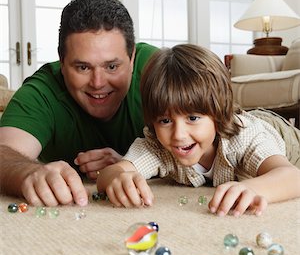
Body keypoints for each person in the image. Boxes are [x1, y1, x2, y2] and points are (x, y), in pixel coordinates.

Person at [96, 44, 300, 217]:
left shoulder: (246, 136)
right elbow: (111, 172)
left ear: (218, 114)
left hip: (282, 135)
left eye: (192, 118)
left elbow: (292, 177)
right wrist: (117, 177)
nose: (178, 134)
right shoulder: (157, 145)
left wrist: (254, 188)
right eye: (165, 120)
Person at [0, 0, 158, 206]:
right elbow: (4, 152)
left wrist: (131, 163)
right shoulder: (42, 91)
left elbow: (210, 128)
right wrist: (29, 172)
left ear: (132, 59)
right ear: (62, 62)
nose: (98, 83)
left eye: (112, 66)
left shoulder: (157, 70)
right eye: (83, 67)